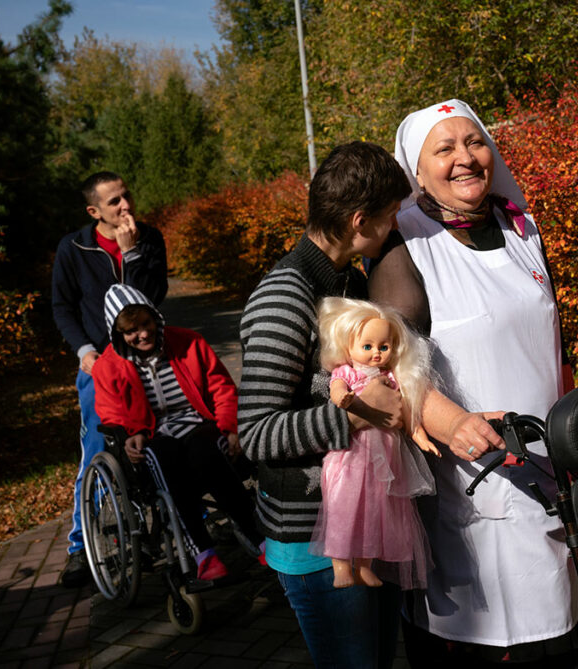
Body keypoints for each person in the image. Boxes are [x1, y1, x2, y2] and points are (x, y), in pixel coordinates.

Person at [239, 141, 501, 669]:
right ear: (360, 220)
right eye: (388, 218)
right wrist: (354, 414)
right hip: (314, 538)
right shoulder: (285, 297)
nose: (393, 230)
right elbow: (257, 434)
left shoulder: (346, 282)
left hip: (363, 520)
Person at [369, 99, 578, 667]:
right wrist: (450, 422)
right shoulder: (403, 243)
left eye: (474, 142)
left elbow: (549, 342)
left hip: (546, 470)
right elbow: (383, 368)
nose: (465, 158)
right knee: (480, 645)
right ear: (417, 170)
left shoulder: (522, 228)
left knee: (558, 635)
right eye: (444, 149)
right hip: (468, 477)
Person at [92, 284, 261, 580]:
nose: (143, 334)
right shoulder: (107, 366)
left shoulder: (189, 343)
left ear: (154, 317)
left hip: (199, 424)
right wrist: (132, 432)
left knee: (208, 452)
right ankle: (203, 552)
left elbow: (221, 389)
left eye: (145, 323)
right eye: (131, 330)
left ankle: (260, 539)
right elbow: (111, 411)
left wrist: (230, 428)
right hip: (153, 434)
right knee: (162, 459)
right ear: (119, 334)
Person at [52, 171, 168, 588]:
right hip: (101, 365)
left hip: (150, 355)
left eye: (127, 196)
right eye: (115, 201)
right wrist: (85, 351)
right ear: (94, 210)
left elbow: (150, 300)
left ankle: (185, 516)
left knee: (168, 431)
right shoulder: (74, 247)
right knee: (99, 445)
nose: (126, 207)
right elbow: (62, 306)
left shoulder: (148, 238)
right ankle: (81, 547)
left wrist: (131, 255)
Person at [314, 296, 437, 590]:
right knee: (344, 510)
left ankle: (365, 566)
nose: (377, 353)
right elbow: (337, 386)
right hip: (351, 457)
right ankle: (341, 566)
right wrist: (341, 397)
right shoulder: (348, 373)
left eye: (384, 346)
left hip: (383, 463)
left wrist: (418, 433)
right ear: (348, 346)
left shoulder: (391, 377)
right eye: (367, 346)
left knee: (374, 513)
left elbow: (404, 409)